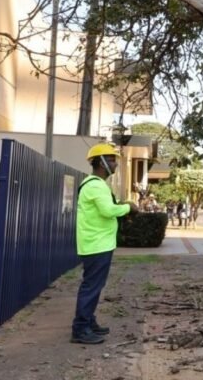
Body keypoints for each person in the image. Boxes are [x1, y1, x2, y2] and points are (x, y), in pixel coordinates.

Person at [71, 143, 138, 344]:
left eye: (114, 159)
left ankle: (88, 322)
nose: (115, 164)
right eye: (110, 160)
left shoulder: (96, 184)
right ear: (100, 163)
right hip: (96, 245)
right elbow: (108, 211)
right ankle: (80, 329)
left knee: (95, 286)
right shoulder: (95, 185)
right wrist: (127, 208)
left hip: (98, 244)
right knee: (91, 287)